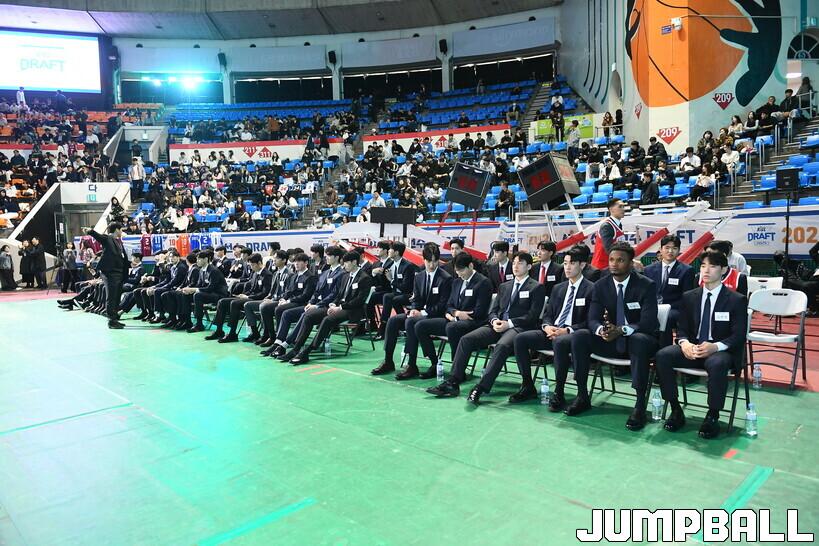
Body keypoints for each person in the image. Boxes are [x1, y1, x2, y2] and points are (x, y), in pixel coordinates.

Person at [426, 251, 546, 404]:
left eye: (520, 263)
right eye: (514, 263)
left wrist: (508, 323)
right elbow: (493, 311)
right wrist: (495, 320)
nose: (515, 266)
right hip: (497, 325)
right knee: (466, 339)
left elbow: (532, 316)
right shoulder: (504, 286)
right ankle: (453, 381)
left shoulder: (536, 287)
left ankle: (481, 387)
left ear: (529, 266)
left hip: (518, 328)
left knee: (501, 346)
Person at [655, 250, 748, 439]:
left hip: (721, 350)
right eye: (703, 266)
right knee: (663, 356)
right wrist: (685, 344)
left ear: (723, 270)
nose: (706, 270)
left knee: (717, 363)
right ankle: (675, 409)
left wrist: (716, 347)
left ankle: (713, 415)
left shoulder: (736, 300)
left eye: (712, 266)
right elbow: (682, 329)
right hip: (693, 347)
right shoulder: (689, 296)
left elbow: (738, 336)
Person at [571, 242, 660, 430]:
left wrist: (621, 330)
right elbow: (592, 319)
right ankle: (582, 396)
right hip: (610, 340)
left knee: (638, 340)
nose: (614, 264)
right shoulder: (600, 285)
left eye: (620, 260)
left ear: (630, 263)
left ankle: (640, 406)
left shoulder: (646, 285)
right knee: (580, 336)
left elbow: (648, 322)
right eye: (611, 259)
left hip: (639, 339)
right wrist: (602, 331)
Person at [511, 247, 594, 409]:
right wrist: (547, 326)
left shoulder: (591, 289)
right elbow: (548, 314)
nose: (567, 267)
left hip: (574, 335)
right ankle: (527, 385)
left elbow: (590, 320)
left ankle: (559, 392)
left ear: (582, 265)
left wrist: (567, 330)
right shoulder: (558, 288)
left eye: (572, 263)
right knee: (520, 339)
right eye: (565, 263)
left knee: (560, 342)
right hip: (552, 332)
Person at [371, 244, 453, 378]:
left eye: (435, 261)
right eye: (429, 261)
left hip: (438, 316)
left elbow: (443, 305)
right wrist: (414, 309)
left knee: (411, 322)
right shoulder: (419, 276)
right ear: (424, 260)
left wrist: (423, 313)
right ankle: (388, 360)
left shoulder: (446, 278)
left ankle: (412, 364)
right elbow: (416, 298)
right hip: (420, 314)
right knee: (393, 321)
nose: (432, 265)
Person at [288, 252, 375, 365]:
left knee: (327, 320)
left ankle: (308, 350)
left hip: (353, 310)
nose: (344, 265)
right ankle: (296, 348)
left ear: (354, 262)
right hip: (339, 307)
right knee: (309, 316)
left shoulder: (365, 278)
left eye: (346, 263)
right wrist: (333, 304)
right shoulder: (345, 276)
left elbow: (359, 300)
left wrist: (340, 307)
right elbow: (338, 294)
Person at [269, 246, 346, 358]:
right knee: (287, 313)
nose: (326, 257)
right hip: (316, 305)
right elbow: (316, 291)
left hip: (327, 306)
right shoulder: (325, 273)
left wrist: (317, 305)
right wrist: (311, 302)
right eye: (326, 255)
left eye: (329, 255)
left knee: (305, 315)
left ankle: (287, 345)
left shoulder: (342, 274)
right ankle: (278, 342)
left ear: (337, 257)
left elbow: (335, 294)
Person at [205, 253, 273, 342]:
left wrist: (248, 296)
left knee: (234, 303)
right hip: (249, 297)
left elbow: (265, 293)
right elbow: (252, 289)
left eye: (253, 265)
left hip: (257, 299)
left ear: (259, 263)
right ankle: (219, 330)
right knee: (222, 301)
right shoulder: (255, 273)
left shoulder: (267, 275)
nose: (251, 267)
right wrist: (243, 295)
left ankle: (232, 333)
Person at [259, 253, 317, 354]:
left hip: (301, 303)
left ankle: (279, 340)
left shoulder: (310, 277)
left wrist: (288, 301)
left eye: (299, 261)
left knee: (280, 309)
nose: (296, 264)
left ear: (306, 263)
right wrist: (282, 299)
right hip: (290, 301)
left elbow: (306, 296)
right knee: (266, 307)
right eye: (295, 262)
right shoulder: (294, 276)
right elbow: (289, 291)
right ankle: (273, 338)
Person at [643, 235, 694, 346]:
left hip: (674, 308)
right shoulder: (648, 270)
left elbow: (687, 296)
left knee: (666, 317)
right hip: (653, 306)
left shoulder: (686, 270)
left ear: (679, 250)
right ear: (661, 249)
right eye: (667, 248)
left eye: (674, 248)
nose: (670, 251)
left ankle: (664, 349)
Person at [84, 223, 130, 329]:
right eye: (121, 230)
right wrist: (91, 231)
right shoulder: (107, 238)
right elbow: (99, 237)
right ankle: (111, 321)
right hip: (110, 273)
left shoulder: (119, 242)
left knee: (117, 297)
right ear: (116, 230)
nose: (122, 232)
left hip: (119, 274)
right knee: (111, 297)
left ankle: (115, 318)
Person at [374, 241, 419, 339]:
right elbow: (383, 281)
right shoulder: (390, 264)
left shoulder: (407, 266)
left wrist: (391, 280)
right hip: (394, 293)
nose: (389, 251)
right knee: (386, 297)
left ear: (397, 252)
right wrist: (375, 272)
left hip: (408, 294)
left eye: (390, 249)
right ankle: (401, 326)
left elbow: (406, 287)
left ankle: (383, 327)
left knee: (389, 297)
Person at [245, 250, 291, 344]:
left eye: (276, 258)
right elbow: (271, 291)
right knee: (248, 305)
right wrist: (268, 297)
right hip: (272, 299)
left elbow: (287, 293)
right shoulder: (275, 273)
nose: (274, 260)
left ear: (284, 260)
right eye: (274, 258)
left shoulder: (289, 274)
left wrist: (273, 299)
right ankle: (257, 333)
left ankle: (271, 336)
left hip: (281, 301)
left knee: (264, 306)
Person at [186, 250, 231, 332]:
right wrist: (189, 290)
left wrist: (195, 290)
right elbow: (199, 285)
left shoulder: (213, 270)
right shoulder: (201, 270)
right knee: (184, 294)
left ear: (206, 259)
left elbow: (211, 288)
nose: (197, 261)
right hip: (209, 293)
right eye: (197, 259)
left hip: (218, 294)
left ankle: (199, 324)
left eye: (199, 259)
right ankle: (185, 321)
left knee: (197, 295)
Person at [590, 198, 626, 270]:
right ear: (611, 209)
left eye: (623, 206)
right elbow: (609, 249)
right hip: (601, 267)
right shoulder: (606, 226)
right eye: (620, 206)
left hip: (611, 266)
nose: (623, 209)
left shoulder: (618, 225)